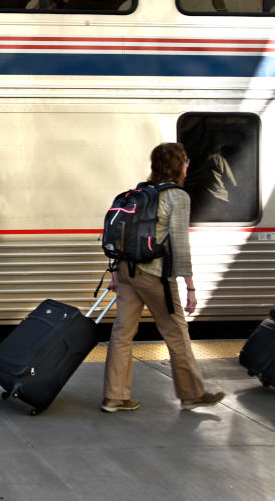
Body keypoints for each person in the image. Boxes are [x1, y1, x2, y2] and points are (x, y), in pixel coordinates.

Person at [101, 142, 225, 413]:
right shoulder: (177, 196)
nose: (188, 166)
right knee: (176, 331)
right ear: (179, 165)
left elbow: (123, 235)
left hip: (126, 270)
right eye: (186, 161)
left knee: (122, 332)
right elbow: (179, 245)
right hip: (154, 274)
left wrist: (116, 273)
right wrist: (190, 287)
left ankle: (115, 397)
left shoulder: (140, 192)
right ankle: (192, 394)